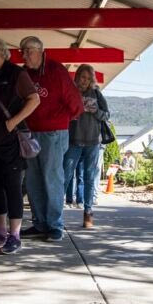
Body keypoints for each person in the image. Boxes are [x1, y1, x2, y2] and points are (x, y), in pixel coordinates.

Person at [0, 38, 40, 255]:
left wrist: (13, 122)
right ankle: (0, 232)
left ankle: (15, 235)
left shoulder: (16, 74)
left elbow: (34, 99)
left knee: (12, 187)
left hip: (10, 142)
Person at [20, 36, 83, 242]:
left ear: (40, 51)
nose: (25, 55)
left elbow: (75, 103)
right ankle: (39, 223)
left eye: (29, 51)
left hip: (53, 133)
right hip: (30, 133)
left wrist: (61, 121)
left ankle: (55, 225)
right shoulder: (24, 73)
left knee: (52, 178)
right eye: (23, 51)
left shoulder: (56, 71)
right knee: (33, 180)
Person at [64, 64, 109, 228]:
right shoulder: (70, 92)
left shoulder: (96, 93)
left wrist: (95, 110)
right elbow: (62, 113)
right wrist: (76, 109)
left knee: (90, 177)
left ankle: (88, 213)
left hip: (92, 141)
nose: (85, 81)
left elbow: (106, 115)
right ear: (77, 77)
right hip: (73, 140)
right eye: (83, 77)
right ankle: (56, 213)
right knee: (66, 175)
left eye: (89, 78)